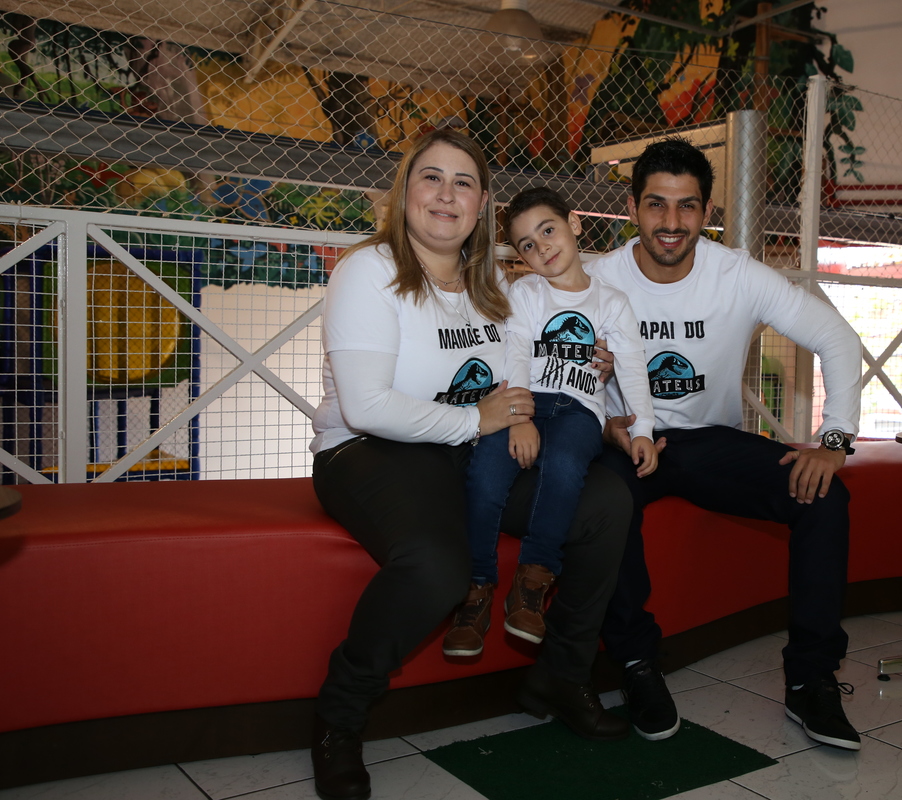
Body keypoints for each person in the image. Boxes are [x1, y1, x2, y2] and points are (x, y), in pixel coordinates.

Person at [309, 130, 632, 800]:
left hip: (467, 448)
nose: (446, 194)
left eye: (463, 182)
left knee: (605, 503)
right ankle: (339, 716)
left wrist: (593, 367)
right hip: (368, 450)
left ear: (482, 203)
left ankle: (561, 675)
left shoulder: (495, 282)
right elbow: (367, 406)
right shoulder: (369, 270)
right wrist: (476, 421)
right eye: (431, 177)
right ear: (405, 190)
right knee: (438, 565)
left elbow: (543, 356)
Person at [588, 137, 864, 749]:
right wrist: (604, 427)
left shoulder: (737, 274)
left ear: (707, 212)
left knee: (825, 498)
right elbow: (553, 374)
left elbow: (838, 338)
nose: (671, 221)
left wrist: (834, 440)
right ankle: (636, 665)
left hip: (709, 442)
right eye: (656, 204)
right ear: (632, 208)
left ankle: (811, 680)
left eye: (686, 206)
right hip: (627, 441)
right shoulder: (596, 279)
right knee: (605, 503)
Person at [444, 187, 658, 657]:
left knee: (564, 465)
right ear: (520, 257)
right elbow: (517, 352)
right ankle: (476, 589)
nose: (542, 247)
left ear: (574, 224)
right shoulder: (526, 293)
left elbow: (633, 367)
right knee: (485, 472)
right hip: (527, 401)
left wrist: (642, 430)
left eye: (548, 230)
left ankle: (532, 581)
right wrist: (521, 416)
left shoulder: (612, 301)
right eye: (527, 244)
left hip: (580, 410)